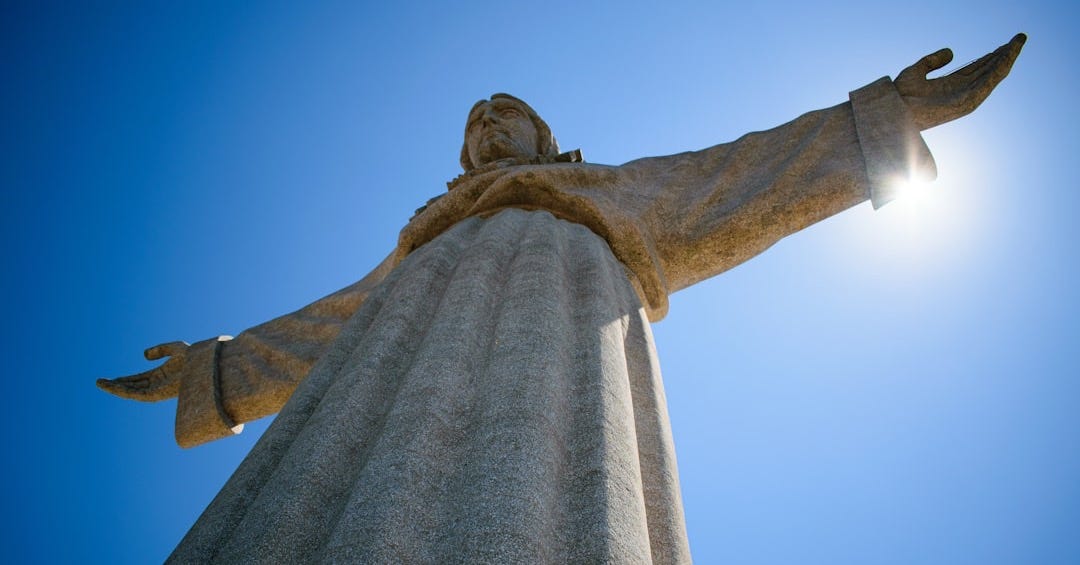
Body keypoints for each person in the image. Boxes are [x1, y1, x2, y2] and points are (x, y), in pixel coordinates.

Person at [99, 35, 1026, 563]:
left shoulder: (608, 195)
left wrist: (880, 119)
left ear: (543, 137)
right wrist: (215, 369)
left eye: (503, 113)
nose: (485, 124)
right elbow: (328, 331)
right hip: (407, 338)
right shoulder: (425, 242)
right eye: (473, 124)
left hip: (561, 318)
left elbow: (735, 174)